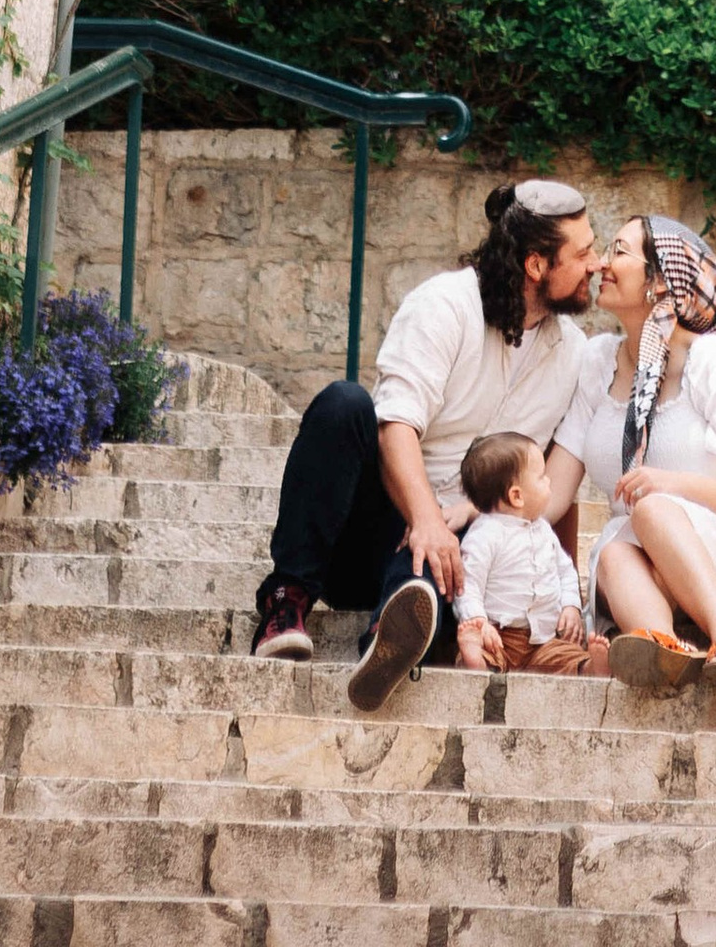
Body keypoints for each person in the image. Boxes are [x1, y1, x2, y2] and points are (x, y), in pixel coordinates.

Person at [250, 177, 596, 712]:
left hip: (462, 558)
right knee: (345, 405)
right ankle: (286, 599)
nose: (596, 264)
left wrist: (563, 596)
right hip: (372, 532)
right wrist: (427, 519)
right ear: (535, 266)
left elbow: (551, 484)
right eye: (584, 253)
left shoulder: (572, 352)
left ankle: (390, 641)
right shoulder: (444, 305)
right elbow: (396, 426)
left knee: (464, 547)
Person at [543, 210, 716, 688]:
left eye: (619, 252)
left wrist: (670, 485)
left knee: (651, 508)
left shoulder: (710, 360)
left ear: (659, 279)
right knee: (612, 551)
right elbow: (552, 494)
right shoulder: (598, 361)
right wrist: (470, 514)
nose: (602, 263)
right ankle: (664, 650)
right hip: (641, 572)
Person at [453, 431, 601, 673]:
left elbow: (565, 572)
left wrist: (571, 605)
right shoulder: (485, 535)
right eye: (542, 477)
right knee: (487, 653)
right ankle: (476, 660)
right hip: (499, 636)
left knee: (565, 656)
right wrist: (478, 622)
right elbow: (468, 585)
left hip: (544, 639)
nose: (549, 481)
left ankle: (589, 667)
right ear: (517, 496)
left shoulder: (544, 530)